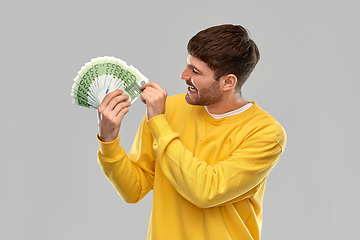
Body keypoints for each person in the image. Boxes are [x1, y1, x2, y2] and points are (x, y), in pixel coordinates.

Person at [96, 24, 286, 240]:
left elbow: (207, 191)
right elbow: (134, 189)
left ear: (228, 82)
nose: (183, 75)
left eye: (195, 71)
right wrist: (108, 139)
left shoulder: (267, 133)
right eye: (187, 65)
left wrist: (158, 124)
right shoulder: (167, 109)